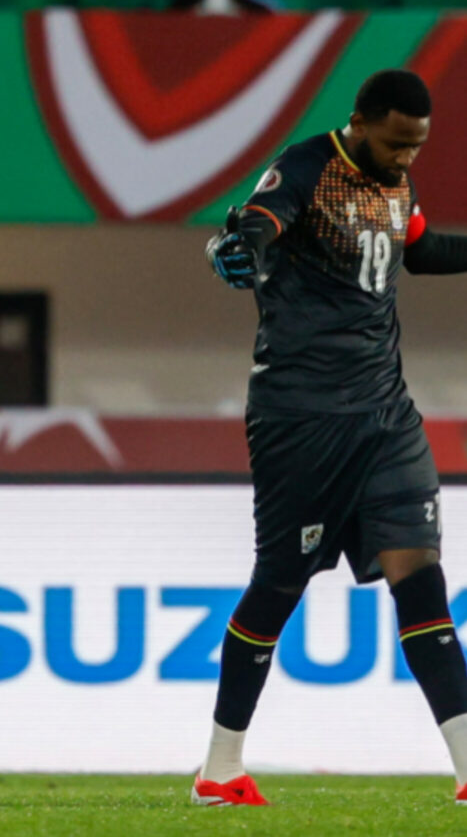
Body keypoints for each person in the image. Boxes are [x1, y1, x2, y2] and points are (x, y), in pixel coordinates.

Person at [199, 69, 467, 806]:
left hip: (385, 415)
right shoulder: (307, 167)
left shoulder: (395, 181)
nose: (406, 157)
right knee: (276, 587)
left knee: (422, 576)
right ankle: (218, 770)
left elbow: (418, 249)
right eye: (396, 143)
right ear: (360, 122)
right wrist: (235, 248)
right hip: (302, 417)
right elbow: (256, 224)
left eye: (416, 146)